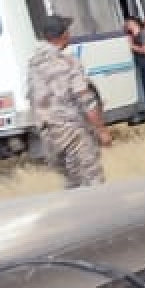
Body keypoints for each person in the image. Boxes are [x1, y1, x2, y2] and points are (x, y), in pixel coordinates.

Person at [26, 14, 110, 188]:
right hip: (74, 132)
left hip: (49, 136)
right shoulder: (69, 63)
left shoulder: (34, 65)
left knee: (72, 183)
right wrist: (101, 130)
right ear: (63, 35)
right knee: (93, 181)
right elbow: (85, 99)